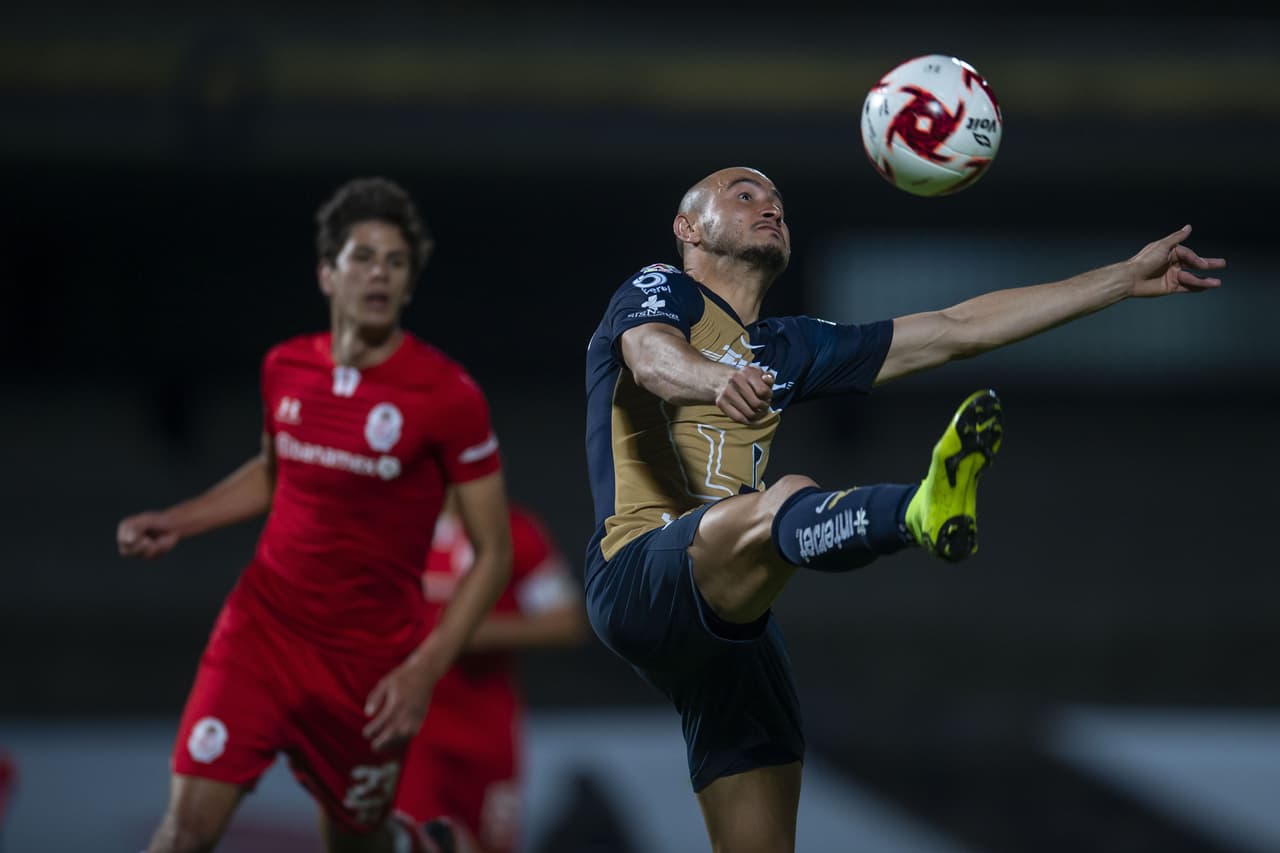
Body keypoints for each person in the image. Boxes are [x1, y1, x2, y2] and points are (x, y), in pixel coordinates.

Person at [583, 166, 1225, 852]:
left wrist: (1121, 280)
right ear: (688, 228)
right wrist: (716, 379)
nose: (769, 204)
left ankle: (907, 511)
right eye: (745, 194)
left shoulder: (788, 348)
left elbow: (957, 327)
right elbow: (651, 357)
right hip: (637, 573)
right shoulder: (662, 288)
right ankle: (916, 511)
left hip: (731, 629)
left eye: (777, 200)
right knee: (780, 503)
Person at [117, 177, 513, 853]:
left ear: (410, 282)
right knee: (183, 832)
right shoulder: (286, 366)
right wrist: (181, 518)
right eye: (362, 257)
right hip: (261, 633)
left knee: (355, 842)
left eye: (395, 261)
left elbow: (494, 550)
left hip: (368, 670)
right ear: (328, 274)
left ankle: (406, 842)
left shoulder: (447, 395)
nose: (379, 273)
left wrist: (423, 670)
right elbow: (278, 468)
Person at [394, 492, 588, 853]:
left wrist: (480, 631)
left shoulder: (515, 531)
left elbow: (567, 621)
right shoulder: (391, 532)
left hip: (488, 732)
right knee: (417, 839)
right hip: (412, 728)